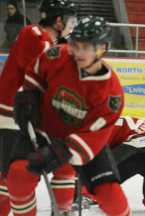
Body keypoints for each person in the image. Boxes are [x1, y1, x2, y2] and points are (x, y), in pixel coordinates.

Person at [13, 15, 131, 216]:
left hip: (81, 141)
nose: (78, 52)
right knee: (18, 175)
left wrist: (60, 151)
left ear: (102, 48)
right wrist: (29, 95)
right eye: (75, 45)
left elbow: (93, 137)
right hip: (44, 128)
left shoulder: (111, 95)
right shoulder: (57, 55)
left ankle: (63, 208)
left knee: (111, 197)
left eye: (86, 47)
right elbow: (35, 72)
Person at [0, 0, 78, 215]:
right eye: (71, 20)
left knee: (61, 163)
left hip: (23, 116)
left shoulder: (46, 41)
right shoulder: (35, 35)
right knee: (11, 175)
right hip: (13, 116)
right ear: (59, 20)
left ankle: (62, 208)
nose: (74, 25)